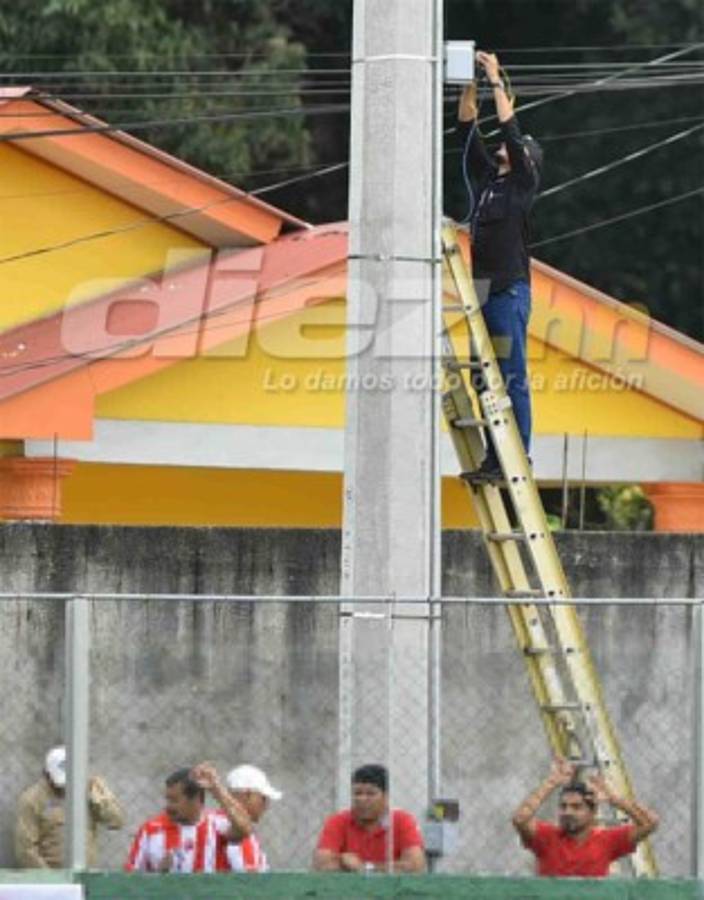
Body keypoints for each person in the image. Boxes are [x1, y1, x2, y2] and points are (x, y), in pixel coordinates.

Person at [457, 50, 543, 483]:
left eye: (518, 150)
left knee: (511, 377)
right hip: (484, 292)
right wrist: (469, 81)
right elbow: (467, 128)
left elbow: (510, 131)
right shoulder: (491, 181)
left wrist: (494, 78)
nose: (510, 150)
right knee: (480, 380)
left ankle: (519, 455)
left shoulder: (523, 185)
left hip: (508, 292)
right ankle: (495, 458)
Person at [512, 756, 659, 877]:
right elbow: (520, 819)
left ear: (592, 813)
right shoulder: (547, 837)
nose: (567, 812)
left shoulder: (606, 841)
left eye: (576, 807)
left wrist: (615, 799)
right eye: (563, 806)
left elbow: (649, 822)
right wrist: (552, 782)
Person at [125, 763, 251, 873]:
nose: (168, 807)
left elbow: (245, 828)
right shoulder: (151, 829)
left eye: (174, 800)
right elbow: (129, 883)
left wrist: (216, 789)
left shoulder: (217, 824)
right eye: (167, 799)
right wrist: (159, 876)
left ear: (196, 800)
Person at [15, 745, 124, 868]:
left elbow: (116, 822)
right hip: (51, 875)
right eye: (60, 783)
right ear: (46, 774)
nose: (66, 787)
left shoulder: (89, 790)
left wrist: (102, 800)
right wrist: (48, 879)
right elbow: (25, 848)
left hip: (85, 874)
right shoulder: (32, 799)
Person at [313, 764, 425, 873]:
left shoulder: (402, 821)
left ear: (386, 797)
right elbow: (321, 863)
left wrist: (366, 868)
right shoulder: (338, 821)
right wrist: (343, 863)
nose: (362, 799)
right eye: (357, 793)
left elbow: (415, 865)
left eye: (370, 794)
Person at [218, 764, 282, 872]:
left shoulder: (226, 824)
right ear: (247, 795)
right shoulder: (225, 825)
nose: (266, 806)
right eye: (263, 798)